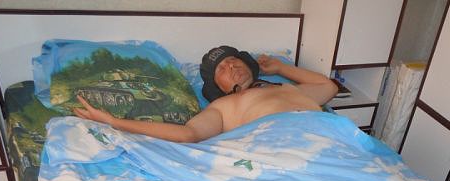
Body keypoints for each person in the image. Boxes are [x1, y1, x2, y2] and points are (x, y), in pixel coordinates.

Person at [73, 45, 338, 143]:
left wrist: (281, 68)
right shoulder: (225, 106)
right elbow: (188, 134)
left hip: (327, 136)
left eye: (233, 60)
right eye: (222, 69)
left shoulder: (286, 88)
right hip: (283, 142)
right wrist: (115, 122)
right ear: (217, 87)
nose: (231, 66)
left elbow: (329, 87)